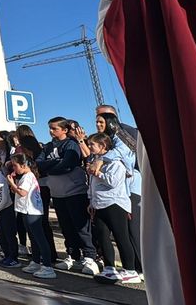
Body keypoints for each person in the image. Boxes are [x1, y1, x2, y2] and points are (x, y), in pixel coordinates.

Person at [37, 117, 99, 275]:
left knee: (81, 226)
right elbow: (39, 163)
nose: (51, 131)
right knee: (66, 227)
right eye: (50, 128)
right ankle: (73, 255)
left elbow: (68, 164)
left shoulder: (71, 144)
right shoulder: (48, 146)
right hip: (57, 193)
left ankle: (90, 257)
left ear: (64, 130)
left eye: (54, 128)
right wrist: (55, 164)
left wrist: (51, 166)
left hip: (75, 192)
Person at [85, 133, 141, 285]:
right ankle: (109, 268)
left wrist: (98, 173)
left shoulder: (116, 163)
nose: (90, 147)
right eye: (89, 144)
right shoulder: (94, 161)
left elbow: (113, 182)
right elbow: (92, 185)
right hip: (99, 204)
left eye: (92, 145)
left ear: (103, 146)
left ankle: (130, 270)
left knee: (121, 237)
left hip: (115, 204)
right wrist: (91, 201)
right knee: (102, 236)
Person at [7, 154, 56, 279]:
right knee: (33, 238)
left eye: (15, 166)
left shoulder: (28, 176)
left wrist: (12, 183)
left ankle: (47, 266)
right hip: (27, 210)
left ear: (23, 165)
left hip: (32, 211)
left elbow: (22, 193)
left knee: (39, 238)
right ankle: (35, 261)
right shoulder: (24, 176)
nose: (14, 168)